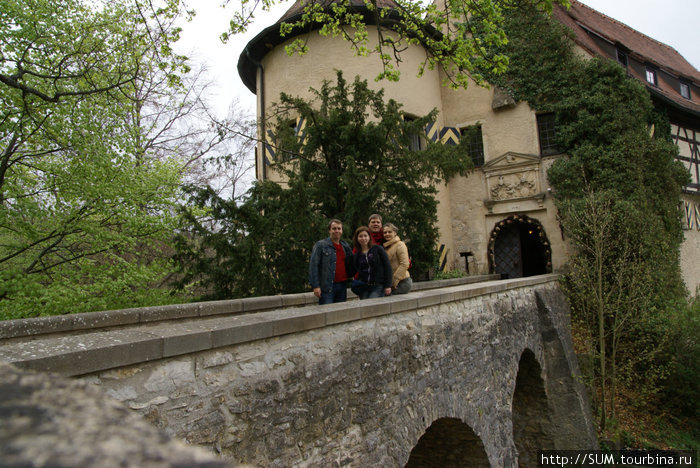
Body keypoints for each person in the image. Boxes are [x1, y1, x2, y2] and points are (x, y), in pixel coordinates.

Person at [309, 219, 355, 304]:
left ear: (342, 231)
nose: (337, 231)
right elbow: (313, 266)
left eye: (339, 228)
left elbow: (352, 263)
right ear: (329, 230)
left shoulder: (345, 246)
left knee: (340, 313)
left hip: (342, 286)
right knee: (327, 313)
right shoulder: (321, 245)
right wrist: (316, 286)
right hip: (327, 287)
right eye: (334, 229)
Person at [350, 226, 392, 299]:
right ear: (357, 238)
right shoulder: (357, 254)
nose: (363, 238)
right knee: (364, 306)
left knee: (372, 305)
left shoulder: (378, 249)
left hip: (378, 285)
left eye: (365, 236)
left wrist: (388, 285)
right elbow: (356, 270)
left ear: (369, 237)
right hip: (364, 286)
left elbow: (387, 267)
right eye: (360, 236)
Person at [382, 223, 413, 295]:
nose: (387, 234)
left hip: (402, 282)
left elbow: (405, 264)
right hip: (392, 283)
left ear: (395, 233)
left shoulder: (400, 244)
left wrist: (393, 283)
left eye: (390, 232)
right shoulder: (387, 247)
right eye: (385, 232)